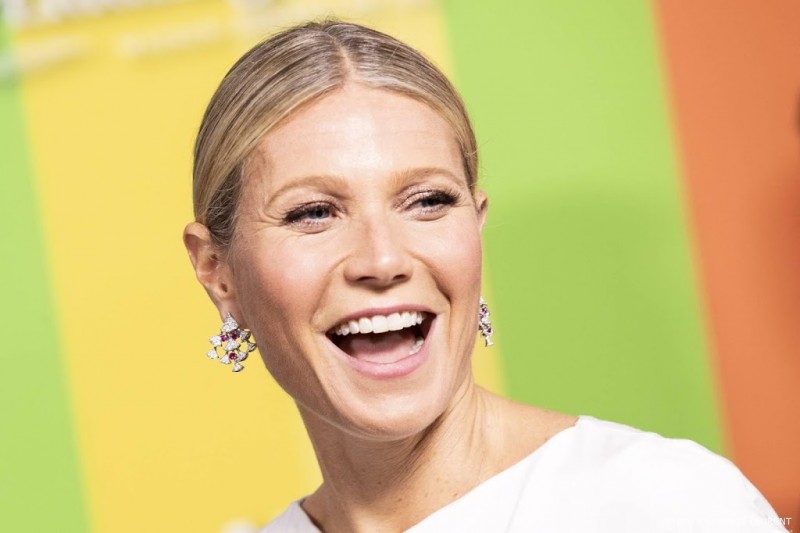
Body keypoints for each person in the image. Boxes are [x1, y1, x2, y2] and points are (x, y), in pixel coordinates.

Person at [183, 20, 787, 533]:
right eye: (314, 213)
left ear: (475, 226)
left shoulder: (661, 505)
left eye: (427, 201)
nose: (384, 260)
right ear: (217, 271)